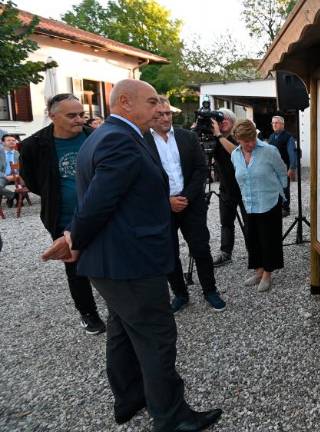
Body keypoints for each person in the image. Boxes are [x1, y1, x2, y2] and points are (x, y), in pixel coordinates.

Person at [42, 79, 222, 431]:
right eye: (152, 101)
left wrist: (76, 236)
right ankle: (171, 417)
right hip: (129, 262)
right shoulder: (118, 140)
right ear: (125, 102)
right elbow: (98, 200)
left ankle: (130, 399)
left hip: (116, 262)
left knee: (123, 331)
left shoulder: (110, 135)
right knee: (156, 338)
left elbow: (110, 195)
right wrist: (73, 238)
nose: (160, 108)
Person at [19, 94, 106, 335]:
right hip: (63, 216)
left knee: (107, 255)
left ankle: (118, 305)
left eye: (81, 114)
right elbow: (33, 181)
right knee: (74, 265)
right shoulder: (34, 145)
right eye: (71, 115)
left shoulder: (96, 137)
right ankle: (88, 313)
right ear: (53, 116)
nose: (79, 119)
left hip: (100, 212)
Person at [145, 97, 226, 313]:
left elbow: (201, 169)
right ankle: (180, 294)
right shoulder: (142, 141)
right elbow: (142, 179)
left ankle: (210, 290)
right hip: (162, 207)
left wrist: (186, 198)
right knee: (169, 252)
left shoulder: (187, 136)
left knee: (201, 248)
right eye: (160, 114)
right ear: (150, 116)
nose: (165, 118)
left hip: (191, 204)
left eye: (168, 113)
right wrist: (167, 201)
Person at [215, 119, 286, 292]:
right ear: (237, 139)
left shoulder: (269, 151)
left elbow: (282, 173)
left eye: (253, 139)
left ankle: (267, 274)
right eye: (246, 141)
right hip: (249, 202)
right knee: (252, 238)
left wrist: (279, 193)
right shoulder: (235, 155)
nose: (251, 144)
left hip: (269, 201)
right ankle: (258, 271)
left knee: (268, 239)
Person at [211, 108, 246, 267]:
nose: (223, 121)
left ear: (232, 122)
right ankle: (226, 252)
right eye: (220, 119)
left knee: (249, 222)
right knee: (226, 222)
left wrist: (219, 136)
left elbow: (236, 153)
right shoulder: (213, 139)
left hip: (244, 188)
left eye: (226, 119)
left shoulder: (239, 136)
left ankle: (254, 251)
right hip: (226, 189)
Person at [268, 115, 297, 218]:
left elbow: (292, 153)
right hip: (272, 168)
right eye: (273, 123)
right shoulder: (271, 137)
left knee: (284, 188)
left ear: (282, 124)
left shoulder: (288, 137)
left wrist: (292, 168)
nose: (274, 125)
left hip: (283, 167)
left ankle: (285, 208)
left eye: (276, 123)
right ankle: (276, 206)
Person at [1, 134, 19, 206]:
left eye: (13, 140)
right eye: (8, 140)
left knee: (30, 182)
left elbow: (24, 168)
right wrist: (5, 176)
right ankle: (12, 195)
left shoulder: (19, 153)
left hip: (18, 177)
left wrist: (18, 175)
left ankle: (20, 197)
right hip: (3, 176)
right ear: (3, 142)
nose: (11, 142)